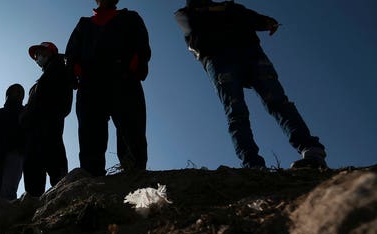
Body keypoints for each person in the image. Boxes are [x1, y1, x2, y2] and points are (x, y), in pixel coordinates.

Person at [175, 0, 327, 169]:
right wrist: (220, 11)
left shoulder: (231, 7)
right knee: (236, 112)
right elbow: (191, 23)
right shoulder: (184, 13)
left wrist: (266, 22)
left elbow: (251, 17)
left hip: (250, 53)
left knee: (278, 102)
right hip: (218, 59)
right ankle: (252, 165)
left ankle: (311, 151)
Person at [65, 0, 151, 177]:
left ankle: (134, 176)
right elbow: (72, 53)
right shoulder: (84, 24)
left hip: (124, 80)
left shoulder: (130, 18)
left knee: (132, 132)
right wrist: (78, 74)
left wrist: (132, 70)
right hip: (90, 84)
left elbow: (141, 46)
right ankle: (93, 181)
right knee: (90, 137)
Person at [21, 41, 73, 197]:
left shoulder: (59, 69)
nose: (38, 57)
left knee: (53, 160)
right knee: (34, 165)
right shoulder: (46, 75)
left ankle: (62, 196)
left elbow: (57, 100)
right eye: (36, 55)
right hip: (36, 129)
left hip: (48, 125)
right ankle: (35, 202)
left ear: (51, 52)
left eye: (41, 53)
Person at [0, 84, 26, 200]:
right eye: (14, 92)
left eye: (20, 93)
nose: (17, 94)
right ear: (7, 95)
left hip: (15, 154)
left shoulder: (25, 113)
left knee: (8, 193)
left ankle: (8, 217)